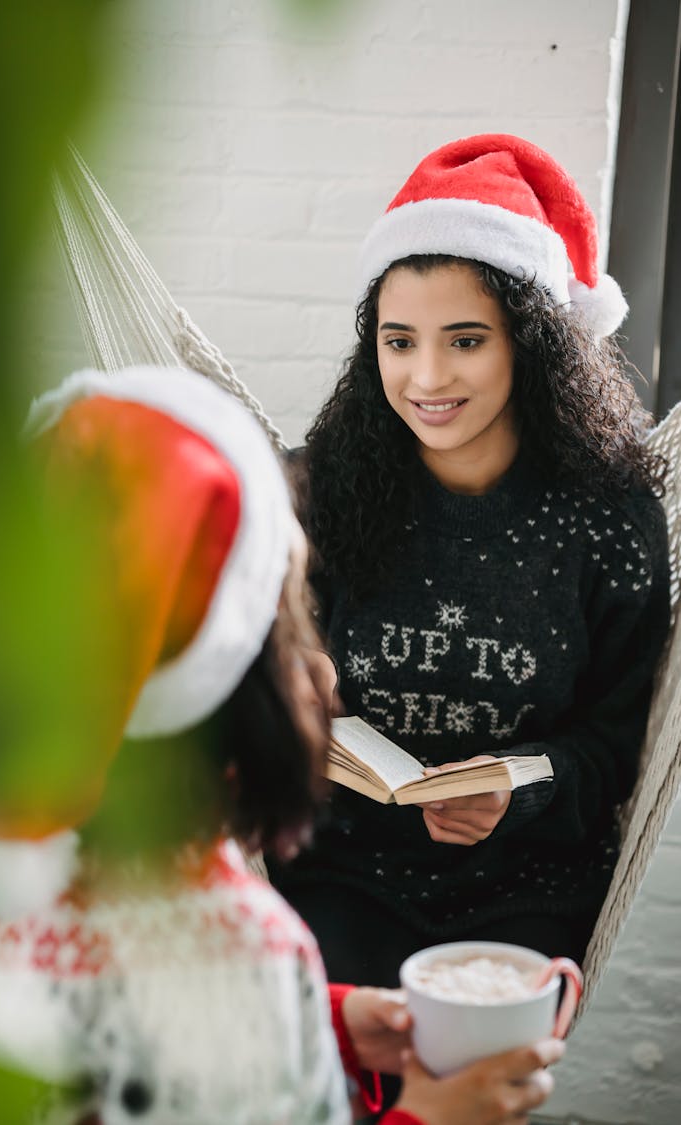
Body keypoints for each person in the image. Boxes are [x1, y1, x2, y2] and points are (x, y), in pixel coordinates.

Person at [0, 363, 563, 1124]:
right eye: (293, 594)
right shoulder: (236, 954)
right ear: (248, 663)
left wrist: (322, 1021)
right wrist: (427, 1116)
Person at [269, 133, 671, 988]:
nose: (425, 376)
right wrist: (292, 675)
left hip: (524, 890)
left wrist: (516, 790)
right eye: (399, 340)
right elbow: (239, 661)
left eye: (464, 340)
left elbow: (613, 746)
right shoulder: (322, 491)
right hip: (337, 873)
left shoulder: (612, 524)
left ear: (530, 344)